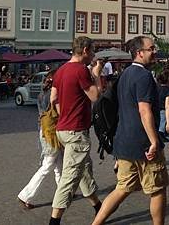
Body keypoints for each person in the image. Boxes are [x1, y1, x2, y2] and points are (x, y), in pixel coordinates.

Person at [93, 36, 168, 225]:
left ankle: (96, 223)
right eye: (151, 49)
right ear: (139, 53)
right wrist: (154, 141)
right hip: (142, 142)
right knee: (157, 189)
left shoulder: (124, 74)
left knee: (122, 188)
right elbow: (144, 110)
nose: (155, 51)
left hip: (124, 142)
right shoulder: (143, 76)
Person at [49, 37, 101, 225]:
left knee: (83, 170)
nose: (94, 55)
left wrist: (64, 115)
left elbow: (53, 98)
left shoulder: (61, 70)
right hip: (76, 131)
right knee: (70, 177)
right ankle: (54, 221)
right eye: (93, 51)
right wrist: (96, 74)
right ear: (85, 50)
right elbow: (95, 96)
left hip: (63, 129)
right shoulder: (81, 70)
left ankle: (98, 207)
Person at [18, 71, 63, 209]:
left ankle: (64, 192)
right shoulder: (53, 95)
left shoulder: (42, 94)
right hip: (51, 132)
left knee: (58, 164)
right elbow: (60, 113)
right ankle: (26, 194)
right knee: (48, 165)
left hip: (44, 131)